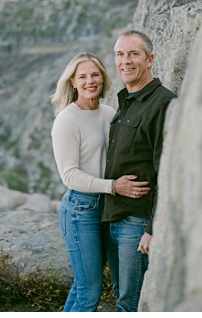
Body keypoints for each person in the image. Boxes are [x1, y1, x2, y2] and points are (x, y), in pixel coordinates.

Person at [50, 52, 151, 312]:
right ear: (72, 82)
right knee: (89, 292)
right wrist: (113, 186)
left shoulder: (109, 112)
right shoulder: (67, 119)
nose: (90, 81)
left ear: (103, 78)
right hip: (81, 210)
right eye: (82, 76)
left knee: (82, 286)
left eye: (95, 74)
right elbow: (69, 175)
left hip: (108, 209)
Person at [101, 30, 177, 312]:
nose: (125, 61)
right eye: (120, 54)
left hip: (137, 225)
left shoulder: (162, 103)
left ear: (150, 59)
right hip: (113, 220)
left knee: (129, 305)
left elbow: (167, 172)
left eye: (134, 54)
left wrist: (152, 229)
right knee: (122, 296)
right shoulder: (125, 102)